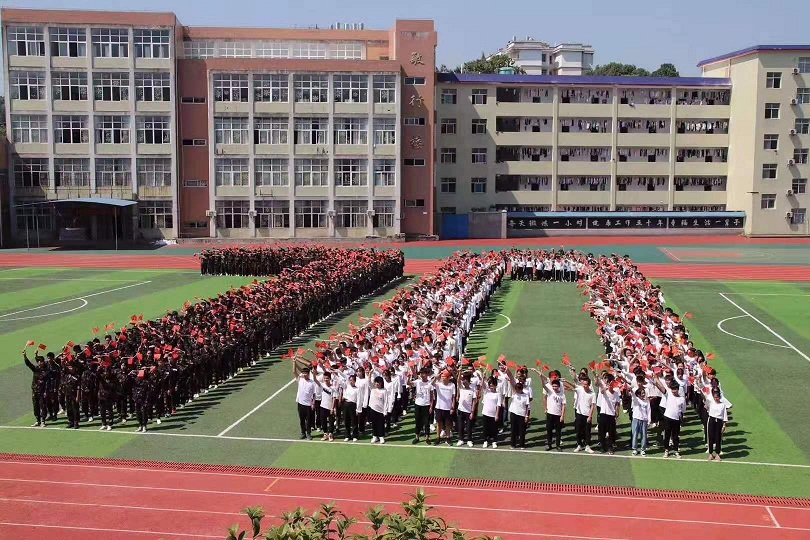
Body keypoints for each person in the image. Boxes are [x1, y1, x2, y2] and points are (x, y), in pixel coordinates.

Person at [652, 373, 686, 458]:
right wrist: (655, 380)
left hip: (676, 419)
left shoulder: (682, 399)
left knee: (675, 436)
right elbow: (661, 388)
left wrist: (680, 417)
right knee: (667, 435)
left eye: (675, 389)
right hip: (667, 418)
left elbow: (683, 410)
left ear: (678, 389)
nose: (674, 391)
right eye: (672, 389)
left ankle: (676, 451)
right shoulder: (668, 394)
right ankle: (666, 450)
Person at [537, 369, 566, 451]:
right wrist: (541, 377)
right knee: (549, 430)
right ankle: (549, 445)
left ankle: (557, 445)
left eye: (556, 386)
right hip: (550, 414)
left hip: (558, 414)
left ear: (559, 386)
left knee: (558, 431)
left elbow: (564, 405)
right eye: (553, 386)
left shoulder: (562, 394)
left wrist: (562, 416)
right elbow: (543, 386)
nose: (554, 388)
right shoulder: (550, 391)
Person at [504, 366, 531, 449]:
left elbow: (528, 406)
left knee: (522, 430)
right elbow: (512, 379)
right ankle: (513, 444)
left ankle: (522, 444)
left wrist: (527, 416)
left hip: (522, 414)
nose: (518, 390)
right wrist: (508, 371)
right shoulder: (515, 392)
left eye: (519, 388)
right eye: (517, 388)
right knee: (513, 429)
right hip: (513, 413)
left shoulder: (526, 394)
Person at [23, 350, 49, 428]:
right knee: (35, 406)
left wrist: (46, 391)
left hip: (42, 391)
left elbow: (46, 381)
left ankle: (43, 421)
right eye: (39, 362)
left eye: (42, 361)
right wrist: (25, 356)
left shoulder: (46, 370)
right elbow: (29, 364)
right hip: (35, 391)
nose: (40, 363)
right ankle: (38, 420)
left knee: (42, 406)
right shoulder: (35, 369)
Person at [432, 370, 456, 446]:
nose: (442, 378)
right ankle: (438, 438)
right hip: (439, 407)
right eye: (442, 376)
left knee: (448, 424)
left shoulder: (452, 385)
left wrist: (452, 407)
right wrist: (436, 378)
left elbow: (453, 397)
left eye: (444, 376)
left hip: (448, 408)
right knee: (439, 423)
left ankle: (448, 438)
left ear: (448, 378)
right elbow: (432, 383)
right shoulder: (438, 384)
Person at [411, 367, 434, 444]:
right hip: (418, 404)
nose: (421, 375)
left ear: (427, 374)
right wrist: (408, 377)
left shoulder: (430, 383)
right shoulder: (418, 382)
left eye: (423, 373)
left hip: (426, 405)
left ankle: (427, 437)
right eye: (420, 373)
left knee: (426, 423)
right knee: (418, 421)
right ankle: (417, 437)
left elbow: (432, 396)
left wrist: (431, 406)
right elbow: (409, 383)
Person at [293, 363, 317, 440]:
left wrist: (313, 403)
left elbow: (314, 394)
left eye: (305, 373)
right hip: (300, 404)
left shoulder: (312, 383)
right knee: (302, 420)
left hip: (308, 405)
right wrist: (294, 362)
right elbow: (294, 372)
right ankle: (303, 433)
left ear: (308, 374)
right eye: (303, 373)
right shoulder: (300, 380)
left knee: (308, 420)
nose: (304, 374)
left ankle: (308, 433)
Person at [456, 372, 477, 447]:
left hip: (468, 411)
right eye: (463, 380)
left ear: (468, 381)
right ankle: (461, 439)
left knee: (468, 426)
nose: (463, 382)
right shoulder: (461, 388)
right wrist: (459, 372)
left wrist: (472, 412)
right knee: (460, 425)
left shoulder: (472, 390)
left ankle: (469, 440)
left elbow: (474, 402)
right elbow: (458, 380)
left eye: (465, 380)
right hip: (460, 410)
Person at [480, 378, 502, 448]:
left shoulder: (498, 394)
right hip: (485, 413)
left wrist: (497, 415)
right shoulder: (486, 391)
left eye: (492, 385)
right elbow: (482, 385)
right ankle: (485, 441)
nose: (491, 387)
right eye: (490, 385)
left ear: (495, 385)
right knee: (485, 428)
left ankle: (494, 441)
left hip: (493, 414)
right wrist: (483, 378)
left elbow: (498, 405)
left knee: (494, 429)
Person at [367, 376, 388, 444]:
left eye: (378, 382)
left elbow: (386, 401)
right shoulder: (373, 389)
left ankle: (381, 436)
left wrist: (385, 411)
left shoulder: (384, 391)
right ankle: (375, 436)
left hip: (381, 411)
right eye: (376, 382)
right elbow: (369, 382)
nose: (377, 383)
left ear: (381, 383)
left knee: (380, 424)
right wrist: (370, 374)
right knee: (374, 424)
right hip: (373, 409)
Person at [631, 387, 651, 456]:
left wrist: (649, 421)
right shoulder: (636, 400)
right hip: (636, 419)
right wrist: (631, 391)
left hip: (644, 420)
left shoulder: (647, 401)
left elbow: (649, 411)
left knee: (644, 435)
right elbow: (633, 396)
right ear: (638, 394)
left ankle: (643, 449)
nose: (643, 394)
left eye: (644, 393)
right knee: (635, 434)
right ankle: (635, 449)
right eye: (642, 393)